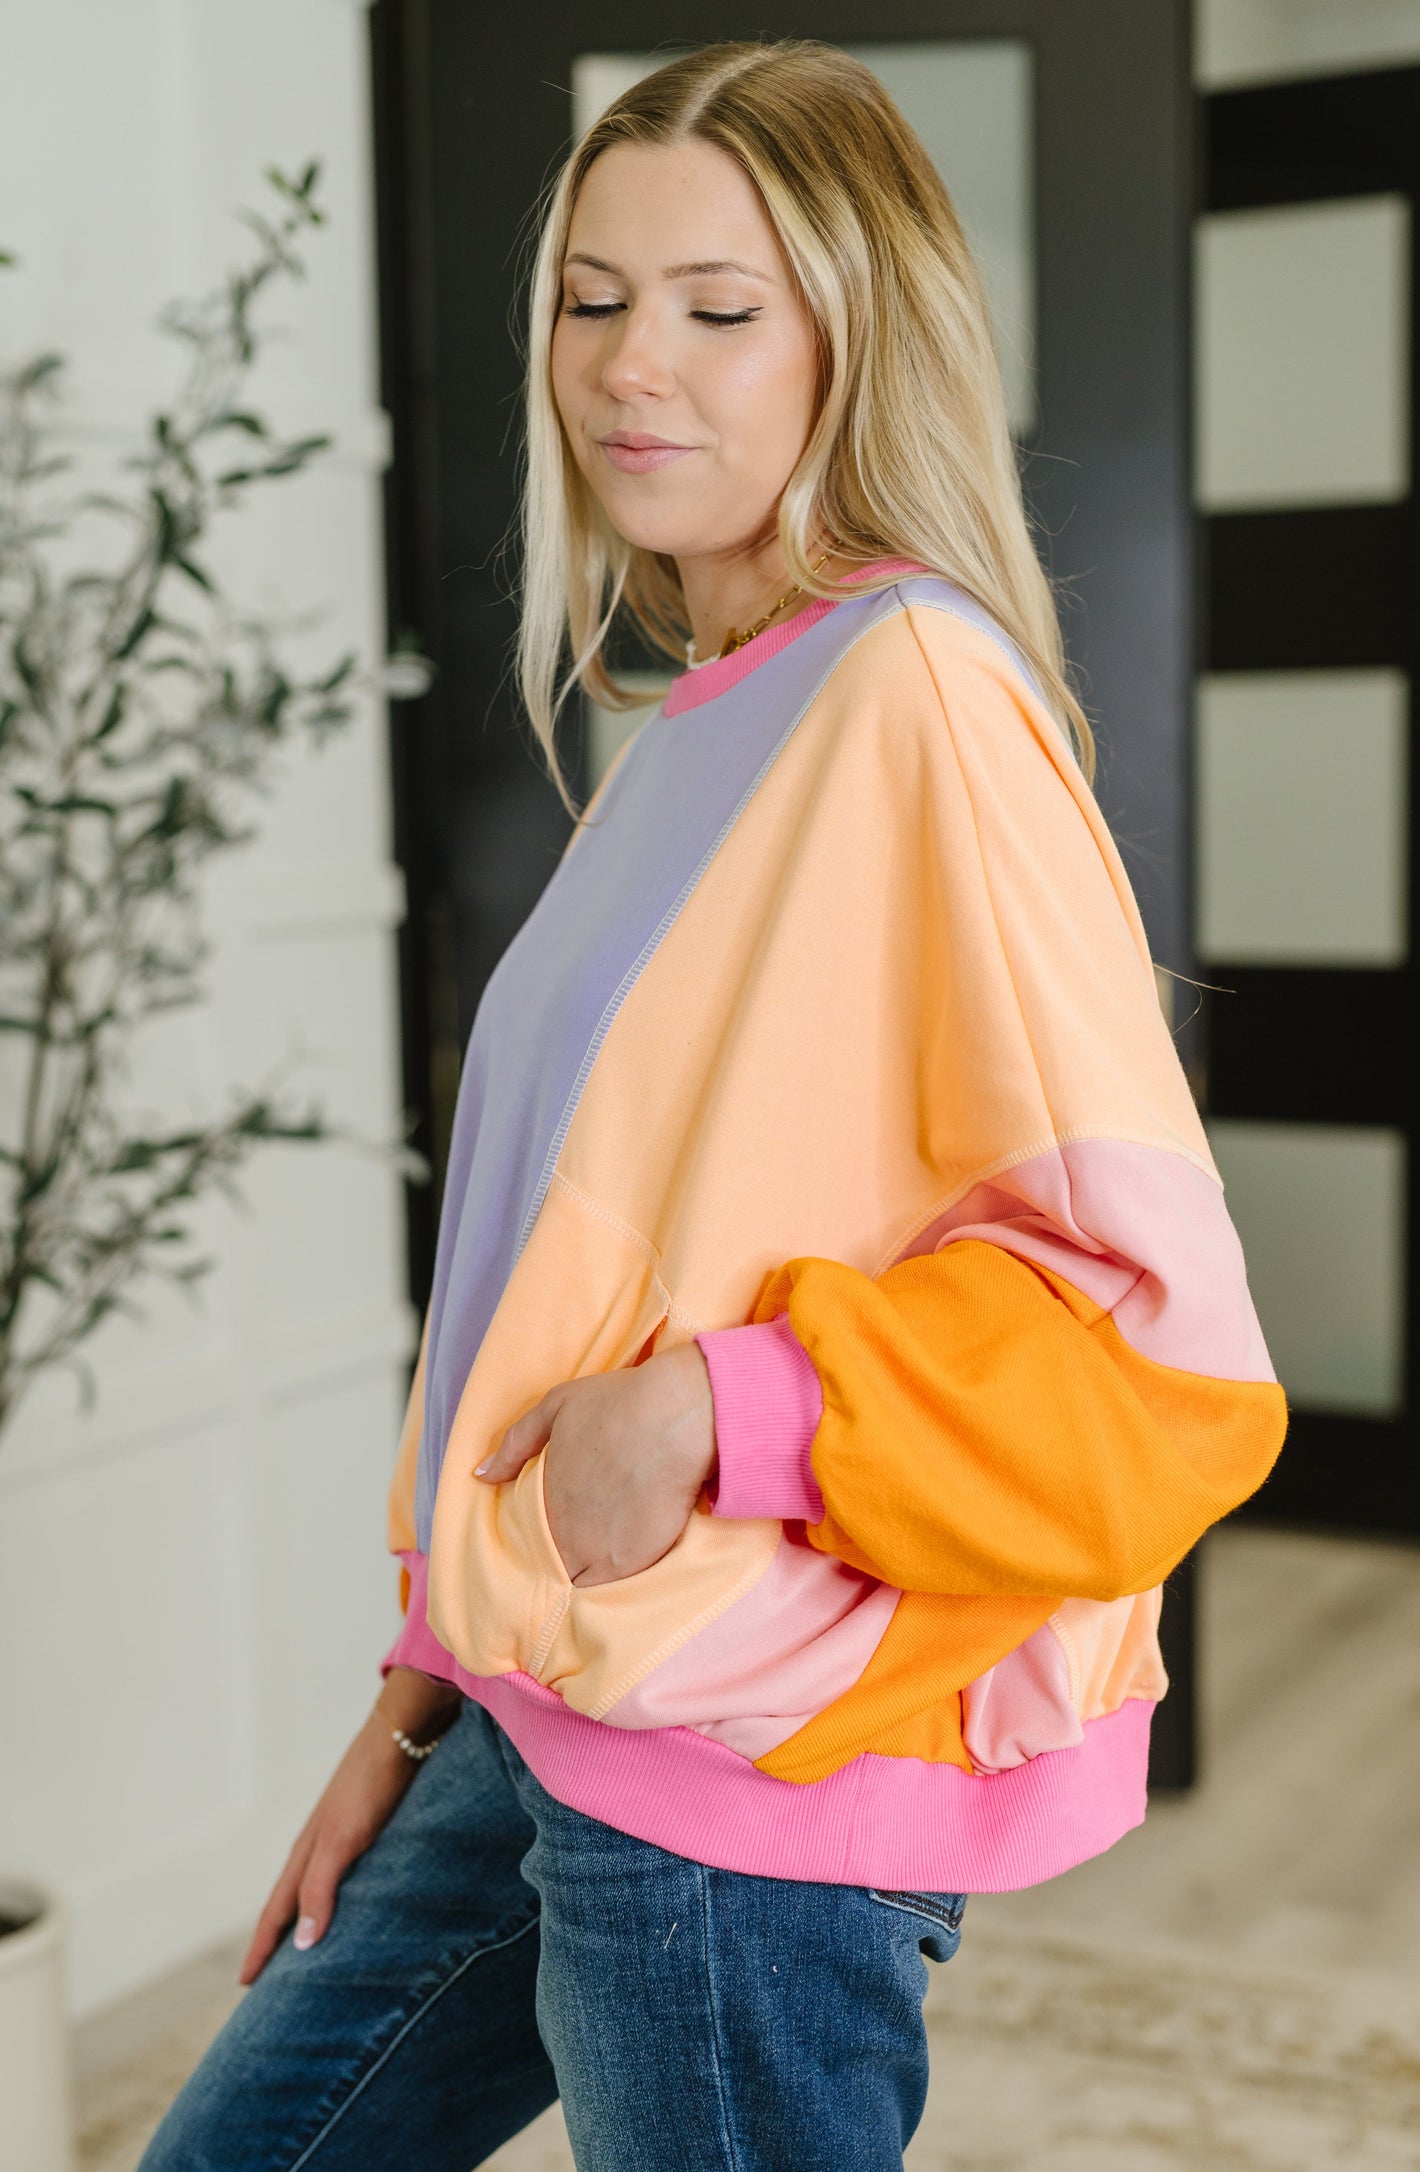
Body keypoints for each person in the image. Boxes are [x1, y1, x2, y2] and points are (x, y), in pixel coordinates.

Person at [139, 38, 1286, 2172]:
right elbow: (562, 1262)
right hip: (550, 1692)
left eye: (717, 307)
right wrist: (419, 1698)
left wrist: (718, 1414)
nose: (628, 365)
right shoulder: (699, 721)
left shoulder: (915, 698)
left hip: (744, 1757)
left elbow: (1163, 1344)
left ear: (858, 340)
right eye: (592, 298)